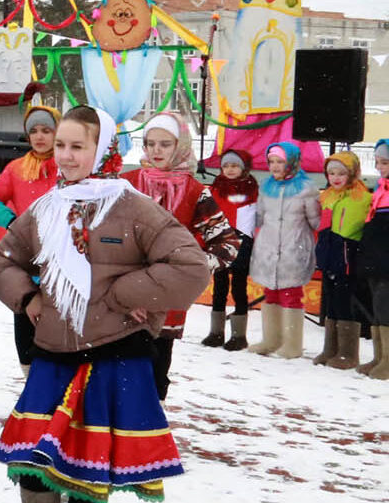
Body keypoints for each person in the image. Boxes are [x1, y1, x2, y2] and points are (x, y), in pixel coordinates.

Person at [0, 107, 211, 503]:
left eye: (77, 147)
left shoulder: (131, 206)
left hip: (113, 356)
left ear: (101, 150)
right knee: (30, 455)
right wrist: (28, 299)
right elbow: (2, 259)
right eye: (60, 146)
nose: (66, 156)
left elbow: (192, 265)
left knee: (90, 462)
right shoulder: (46, 206)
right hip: (53, 351)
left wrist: (125, 293)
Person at [122, 113, 238, 397]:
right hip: (122, 297)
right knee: (119, 375)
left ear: (180, 145)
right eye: (150, 143)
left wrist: (190, 269)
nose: (156, 150)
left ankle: (149, 436)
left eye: (165, 144)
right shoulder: (125, 184)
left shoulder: (195, 192)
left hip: (165, 300)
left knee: (154, 375)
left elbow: (227, 243)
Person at [0, 99, 60, 370]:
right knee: (26, 322)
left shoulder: (67, 166)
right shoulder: (16, 169)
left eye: (46, 131)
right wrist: (13, 222)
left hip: (62, 259)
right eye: (34, 130)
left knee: (58, 327)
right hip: (26, 260)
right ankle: (31, 383)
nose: (40, 136)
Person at [246, 142, 320, 359]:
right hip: (268, 248)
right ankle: (272, 339)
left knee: (291, 295)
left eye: (280, 161)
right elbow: (259, 217)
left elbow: (315, 222)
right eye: (271, 162)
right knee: (270, 293)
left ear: (292, 162)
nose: (275, 166)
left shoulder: (307, 188)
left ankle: (292, 344)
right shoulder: (265, 187)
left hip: (293, 248)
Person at [311, 151, 371, 369]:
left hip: (347, 252)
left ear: (353, 173)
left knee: (344, 300)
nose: (335, 178)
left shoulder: (362, 197)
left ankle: (348, 353)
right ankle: (330, 348)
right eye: (331, 173)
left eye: (341, 173)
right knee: (330, 300)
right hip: (329, 251)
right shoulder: (327, 196)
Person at [200, 149, 258, 350]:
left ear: (243, 168)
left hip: (242, 240)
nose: (230, 170)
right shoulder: (216, 188)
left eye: (234, 166)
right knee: (220, 285)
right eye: (226, 166)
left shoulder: (252, 189)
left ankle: (238, 335)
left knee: (239, 286)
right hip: (220, 240)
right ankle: (216, 332)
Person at [355, 140, 389, 380]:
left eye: (384, 162)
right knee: (377, 308)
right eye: (377, 162)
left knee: (386, 308)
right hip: (376, 258)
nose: (379, 167)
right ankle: (379, 356)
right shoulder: (380, 189)